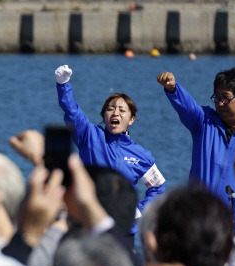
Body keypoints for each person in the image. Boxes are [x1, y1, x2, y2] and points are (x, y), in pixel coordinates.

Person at [56, 65, 166, 232]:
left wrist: (137, 211)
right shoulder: (89, 136)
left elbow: (158, 188)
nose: (115, 113)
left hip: (122, 230)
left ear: (131, 119)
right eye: (110, 109)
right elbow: (72, 112)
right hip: (87, 224)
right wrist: (63, 85)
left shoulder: (141, 155)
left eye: (122, 110)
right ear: (104, 116)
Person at [158, 68, 235, 249]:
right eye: (216, 97)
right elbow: (187, 106)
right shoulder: (203, 121)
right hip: (200, 224)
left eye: (225, 97)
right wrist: (172, 88)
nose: (220, 103)